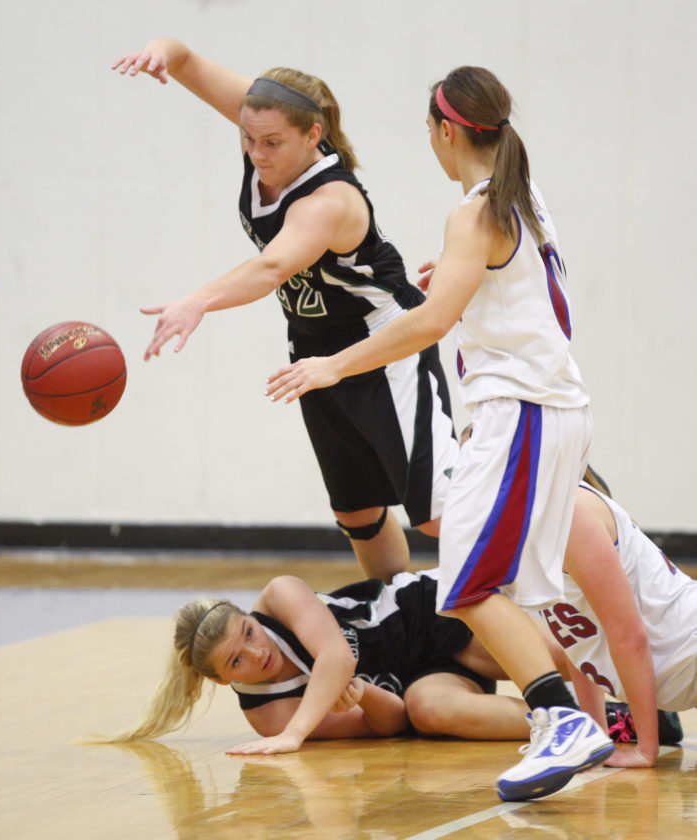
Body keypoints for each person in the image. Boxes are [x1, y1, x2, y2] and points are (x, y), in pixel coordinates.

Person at [265, 65, 615, 800]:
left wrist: (333, 365)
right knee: (504, 578)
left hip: (519, 412)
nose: (428, 141)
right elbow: (507, 284)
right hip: (545, 410)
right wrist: (464, 279)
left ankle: (567, 719)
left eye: (429, 129)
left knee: (468, 580)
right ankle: (590, 706)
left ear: (448, 132)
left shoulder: (473, 212)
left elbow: (427, 324)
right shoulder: (519, 195)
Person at [111, 39, 461, 582]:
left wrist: (197, 301)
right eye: (247, 138)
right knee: (357, 511)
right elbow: (186, 61)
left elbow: (272, 267)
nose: (257, 152)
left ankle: (563, 513)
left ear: (312, 134)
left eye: (272, 142)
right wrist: (162, 51)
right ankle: (394, 612)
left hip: (382, 346)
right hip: (314, 351)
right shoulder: (265, 119)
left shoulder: (331, 200)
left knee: (439, 515)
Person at [98, 568, 537, 753]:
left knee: (549, 661)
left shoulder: (280, 595)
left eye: (249, 632)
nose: (257, 652)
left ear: (249, 615)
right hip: (423, 682)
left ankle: (573, 687)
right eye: (237, 661)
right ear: (220, 680)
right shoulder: (269, 714)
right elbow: (394, 722)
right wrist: (366, 697)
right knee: (429, 712)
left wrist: (296, 734)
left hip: (427, 612)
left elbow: (336, 656)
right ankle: (576, 721)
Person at [541, 475, 694, 768]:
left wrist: (646, 749)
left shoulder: (570, 513)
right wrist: (597, 740)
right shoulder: (535, 525)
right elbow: (577, 643)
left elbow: (630, 636)